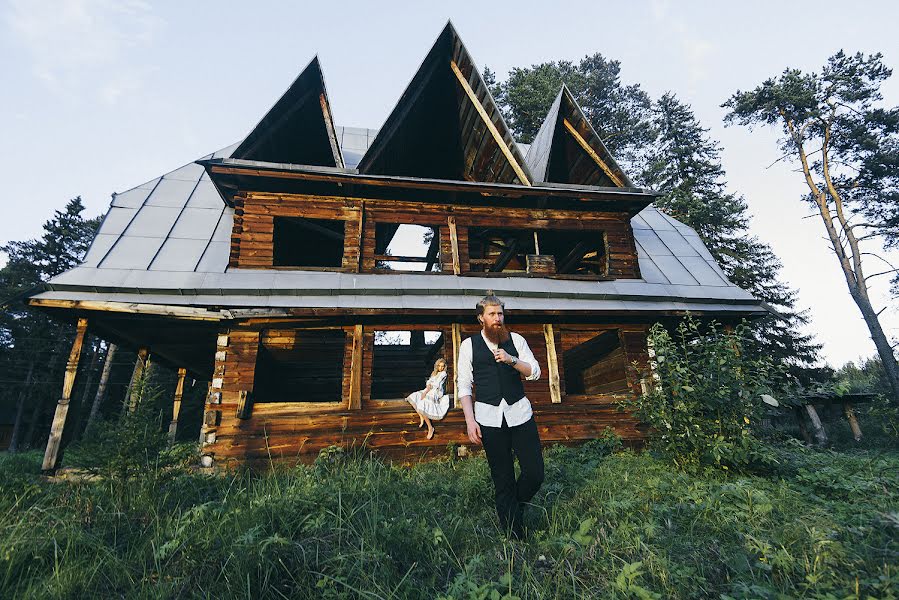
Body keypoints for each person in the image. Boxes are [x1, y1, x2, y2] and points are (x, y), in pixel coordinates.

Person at [457, 293, 544, 539]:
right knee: (502, 477)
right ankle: (513, 535)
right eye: (492, 314)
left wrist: (511, 359)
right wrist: (470, 420)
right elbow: (463, 385)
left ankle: (513, 508)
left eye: (501, 314)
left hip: (520, 415)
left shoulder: (516, 340)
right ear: (481, 318)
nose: (498, 318)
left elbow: (534, 371)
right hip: (488, 419)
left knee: (535, 473)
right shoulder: (468, 346)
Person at [406, 358, 450, 440]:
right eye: (439, 366)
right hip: (430, 390)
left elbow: (436, 384)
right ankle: (421, 416)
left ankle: (430, 427)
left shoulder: (443, 374)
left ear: (444, 367)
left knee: (423, 403)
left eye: (442, 366)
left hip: (436, 392)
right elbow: (428, 382)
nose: (441, 368)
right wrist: (427, 388)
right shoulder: (434, 373)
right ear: (436, 366)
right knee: (414, 396)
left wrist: (426, 391)